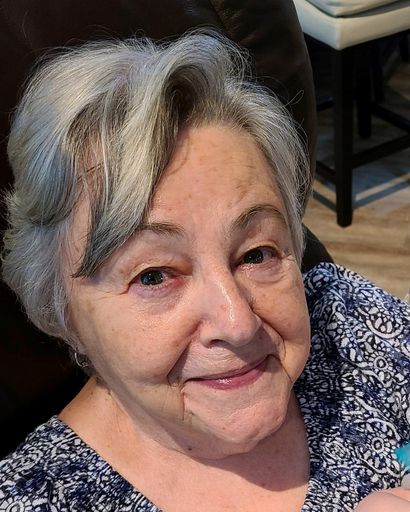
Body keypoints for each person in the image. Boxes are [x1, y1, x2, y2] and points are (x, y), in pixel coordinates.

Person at [0, 32, 409, 511]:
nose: (238, 324)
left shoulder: (347, 321)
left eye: (256, 254)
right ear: (60, 311)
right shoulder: (36, 497)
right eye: (154, 276)